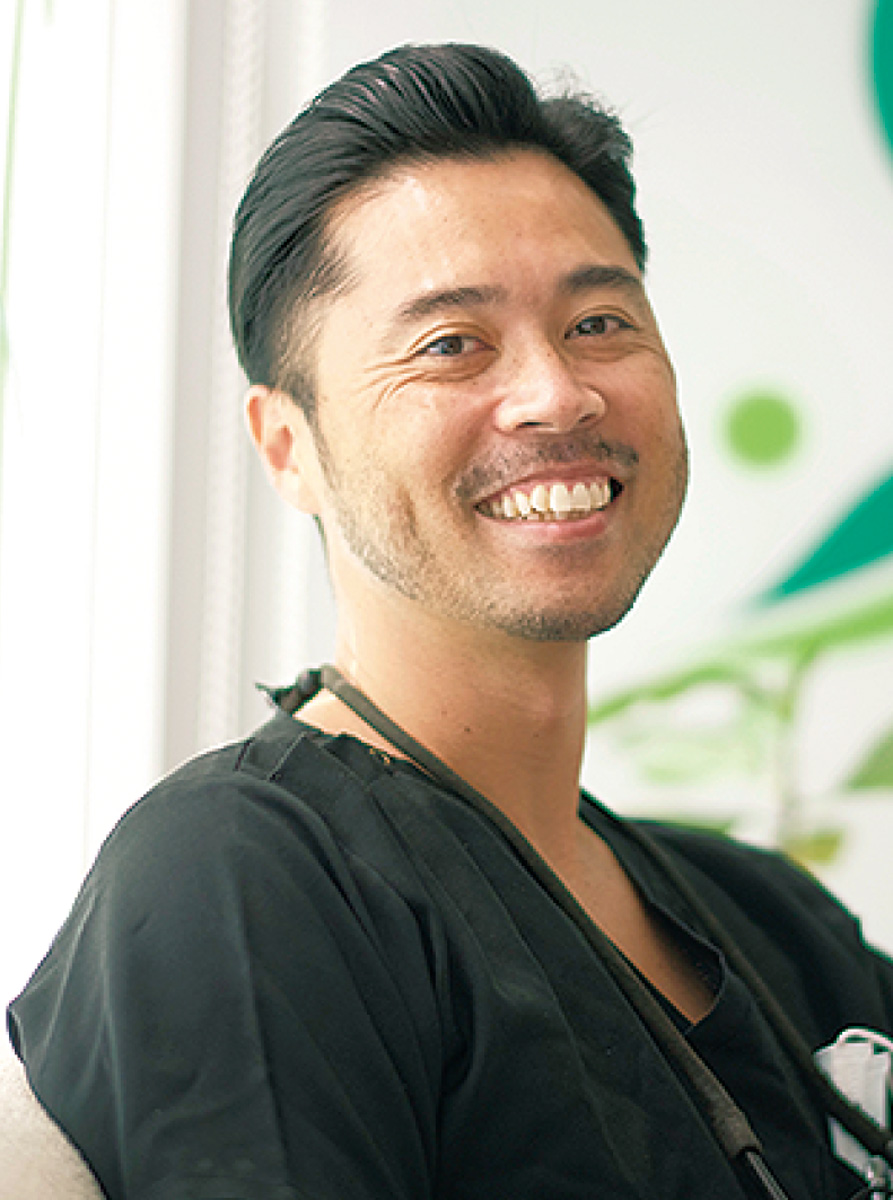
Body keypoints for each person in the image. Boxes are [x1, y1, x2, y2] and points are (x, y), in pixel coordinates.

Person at [4, 41, 893, 1200]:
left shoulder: (779, 924)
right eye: (449, 344)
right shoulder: (242, 878)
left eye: (597, 323)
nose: (555, 393)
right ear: (288, 445)